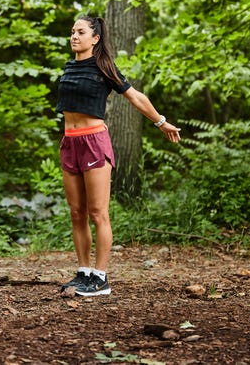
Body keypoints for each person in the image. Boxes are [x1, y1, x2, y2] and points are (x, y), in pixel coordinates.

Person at [56, 15, 181, 296]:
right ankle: (84, 272)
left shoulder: (104, 67)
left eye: (80, 32)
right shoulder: (69, 67)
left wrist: (161, 122)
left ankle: (101, 278)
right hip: (70, 142)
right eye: (72, 31)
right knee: (77, 213)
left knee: (98, 213)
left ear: (95, 38)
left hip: (94, 142)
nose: (74, 36)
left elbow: (135, 96)